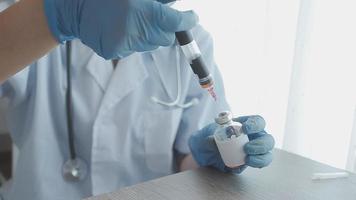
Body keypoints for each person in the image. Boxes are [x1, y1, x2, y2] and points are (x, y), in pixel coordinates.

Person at [0, 2, 275, 200]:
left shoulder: (191, 40)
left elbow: (186, 158)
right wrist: (61, 16)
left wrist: (213, 155)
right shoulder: (34, 20)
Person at [0, 0, 198, 82]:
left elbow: (187, 153)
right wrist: (64, 13)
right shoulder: (21, 12)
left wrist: (216, 149)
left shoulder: (191, 35)